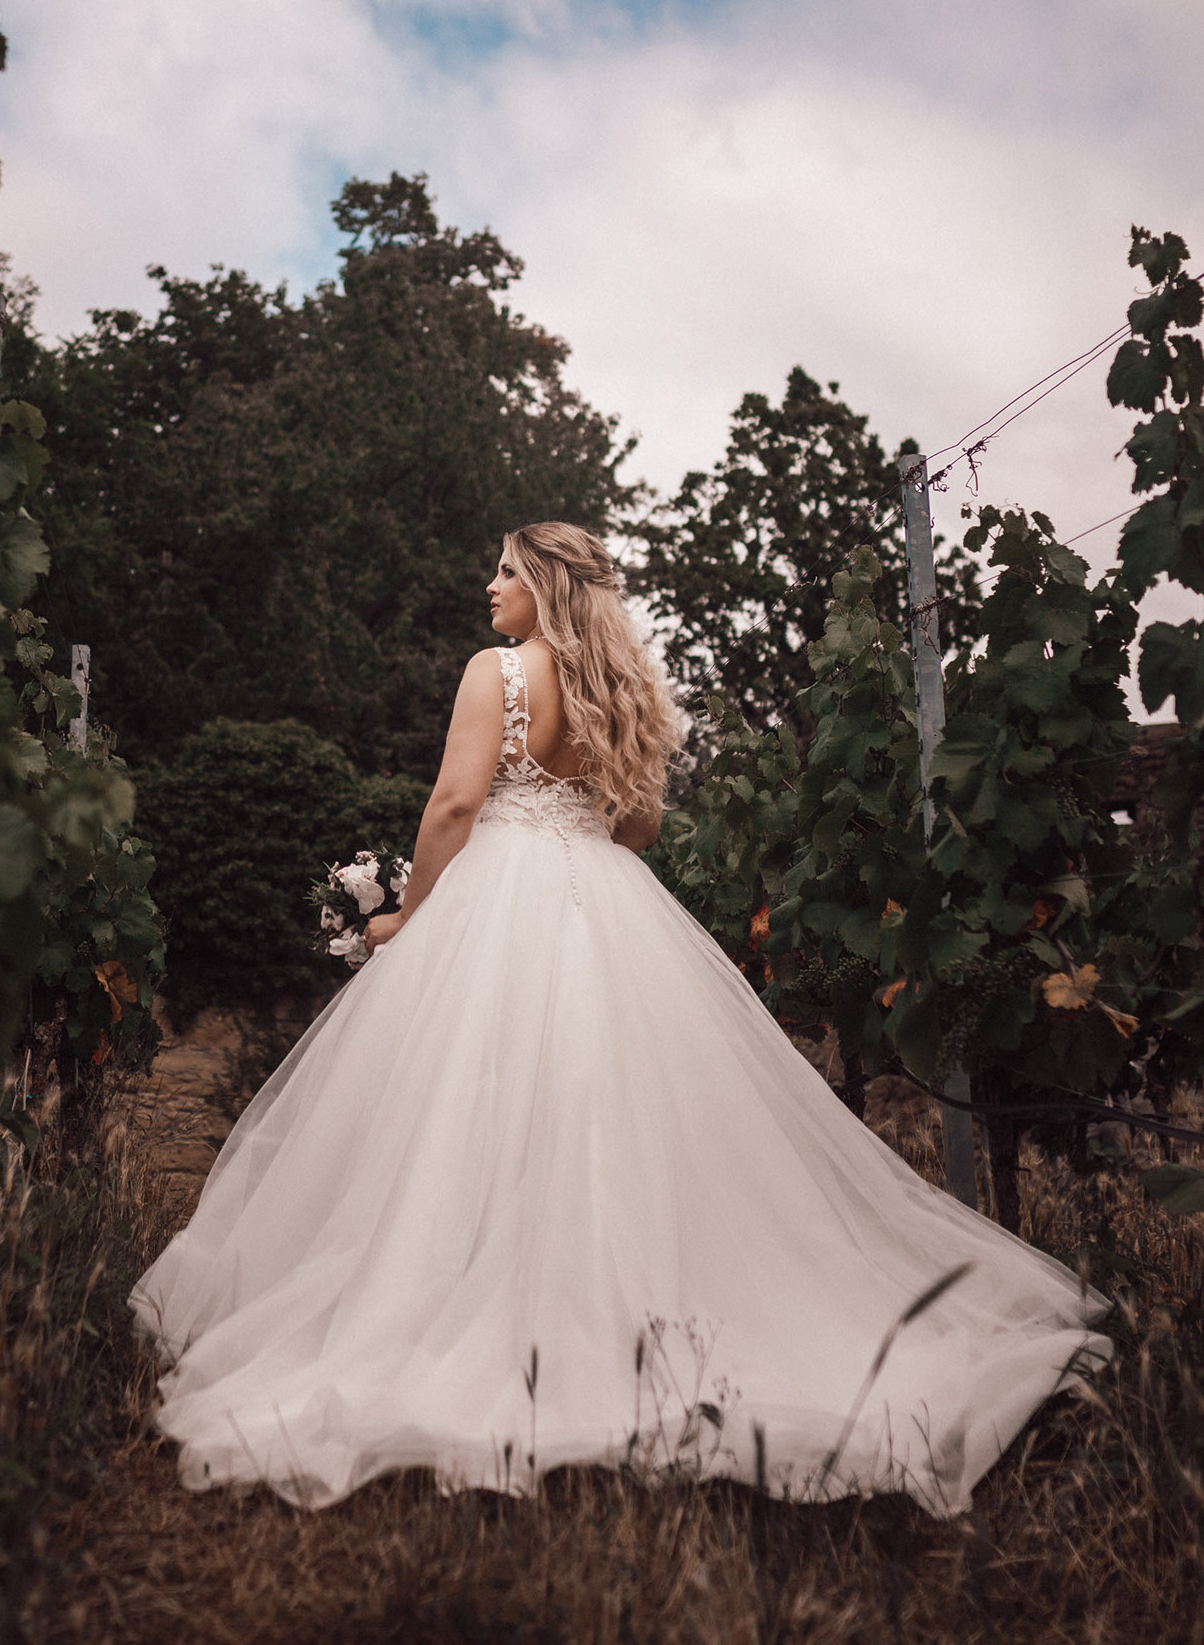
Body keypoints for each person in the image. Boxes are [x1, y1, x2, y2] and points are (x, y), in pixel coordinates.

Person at [129, 521, 1109, 1515]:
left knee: (468, 1108)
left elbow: (455, 806)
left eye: (506, 570)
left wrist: (408, 916)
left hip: (496, 895)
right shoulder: (626, 687)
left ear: (546, 584)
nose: (489, 585)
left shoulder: (496, 673)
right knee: (609, 1114)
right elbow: (636, 829)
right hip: (605, 902)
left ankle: (485, 1316)